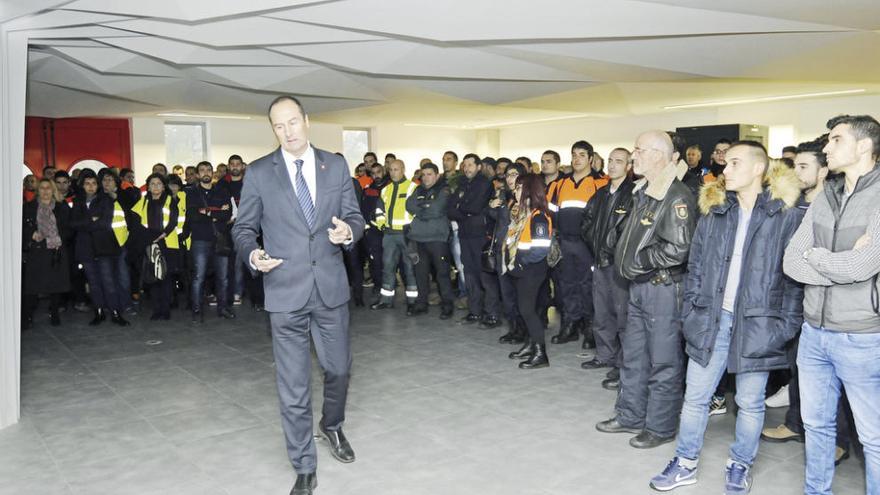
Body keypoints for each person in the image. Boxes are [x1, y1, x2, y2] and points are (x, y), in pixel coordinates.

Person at [649, 144, 804, 494]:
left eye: (735, 163)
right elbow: (696, 267)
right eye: (726, 162)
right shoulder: (715, 213)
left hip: (759, 323)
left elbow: (795, 280)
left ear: (759, 168)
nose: (726, 169)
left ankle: (740, 464)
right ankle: (685, 463)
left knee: (749, 402)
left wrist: (785, 325)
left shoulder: (787, 216)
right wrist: (691, 311)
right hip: (711, 319)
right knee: (696, 397)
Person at [232, 95, 364, 495]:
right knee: (293, 385)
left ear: (307, 121)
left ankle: (332, 425)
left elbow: (354, 215)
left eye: (292, 122)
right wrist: (253, 254)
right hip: (284, 292)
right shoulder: (258, 173)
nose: (287, 131)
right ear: (272, 129)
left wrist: (348, 233)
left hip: (329, 287)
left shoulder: (336, 164)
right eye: (278, 125)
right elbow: (242, 228)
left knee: (338, 368)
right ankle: (304, 464)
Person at [783, 114, 880, 495]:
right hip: (813, 333)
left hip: (862, 335)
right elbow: (791, 260)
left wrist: (817, 257)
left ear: (863, 146)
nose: (826, 148)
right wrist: (836, 262)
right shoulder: (826, 193)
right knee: (817, 426)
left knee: (872, 436)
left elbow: (863, 265)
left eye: (835, 140)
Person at [596, 130, 696, 449]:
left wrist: (638, 260)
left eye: (639, 150)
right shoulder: (644, 190)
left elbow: (679, 248)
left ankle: (661, 425)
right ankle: (630, 415)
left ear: (658, 155)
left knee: (664, 361)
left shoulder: (676, 195)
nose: (634, 156)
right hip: (638, 287)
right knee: (634, 357)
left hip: (662, 288)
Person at [581, 148, 634, 382]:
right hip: (599, 261)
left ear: (628, 166)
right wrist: (595, 244)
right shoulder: (601, 193)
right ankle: (605, 355)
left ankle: (623, 364)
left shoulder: (633, 194)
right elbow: (587, 221)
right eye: (610, 161)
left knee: (623, 315)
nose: (612, 165)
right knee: (601, 312)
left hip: (619, 265)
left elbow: (631, 231)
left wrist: (614, 249)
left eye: (619, 161)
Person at [547, 140, 602, 347]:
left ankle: (589, 329)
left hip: (588, 246)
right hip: (565, 243)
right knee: (566, 286)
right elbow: (550, 214)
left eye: (581, 155)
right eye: (574, 155)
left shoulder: (600, 183)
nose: (577, 159)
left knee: (588, 287)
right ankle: (569, 326)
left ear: (590, 158)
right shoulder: (559, 184)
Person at [504, 173, 553, 369]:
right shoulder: (524, 213)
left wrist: (523, 262)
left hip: (531, 270)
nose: (515, 191)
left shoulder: (538, 216)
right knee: (524, 309)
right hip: (521, 269)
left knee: (528, 310)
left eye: (518, 188)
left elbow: (540, 249)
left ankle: (541, 354)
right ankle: (530, 345)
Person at [70, 172, 130, 326]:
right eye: (87, 183)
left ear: (98, 185)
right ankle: (99, 311)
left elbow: (105, 223)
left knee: (108, 281)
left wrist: (86, 223)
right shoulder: (77, 202)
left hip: (104, 246)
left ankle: (115, 312)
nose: (90, 186)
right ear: (82, 185)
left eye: (93, 183)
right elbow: (73, 224)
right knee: (93, 282)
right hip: (85, 248)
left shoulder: (106, 200)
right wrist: (92, 219)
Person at [448, 153, 499, 327]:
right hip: (464, 234)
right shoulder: (461, 183)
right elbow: (449, 209)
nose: (467, 168)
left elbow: (476, 207)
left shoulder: (484, 183)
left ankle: (491, 313)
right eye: (465, 164)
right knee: (469, 273)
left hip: (480, 235)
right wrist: (463, 210)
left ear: (478, 167)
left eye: (471, 164)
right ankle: (475, 311)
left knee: (484, 275)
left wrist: (460, 208)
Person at [186, 160, 235, 323]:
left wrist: (206, 212)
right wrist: (216, 212)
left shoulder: (222, 191)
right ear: (197, 174)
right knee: (198, 277)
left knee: (223, 277)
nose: (205, 173)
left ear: (212, 173)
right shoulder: (191, 193)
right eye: (202, 170)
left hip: (220, 239)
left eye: (208, 170)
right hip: (200, 240)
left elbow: (227, 215)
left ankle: (223, 309)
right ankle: (197, 311)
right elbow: (193, 216)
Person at [369, 159, 419, 313]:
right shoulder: (386, 189)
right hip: (389, 235)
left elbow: (418, 211)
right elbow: (379, 210)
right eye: (390, 170)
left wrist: (412, 228)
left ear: (403, 169)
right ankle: (386, 300)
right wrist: (382, 224)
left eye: (396, 169)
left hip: (407, 235)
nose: (393, 172)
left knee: (410, 268)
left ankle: (413, 301)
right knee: (388, 267)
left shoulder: (413, 188)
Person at [406, 162, 454, 318]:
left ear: (437, 175)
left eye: (429, 174)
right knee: (420, 273)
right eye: (423, 174)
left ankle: (447, 305)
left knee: (442, 273)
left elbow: (437, 209)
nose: (426, 178)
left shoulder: (444, 189)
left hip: (437, 238)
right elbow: (409, 205)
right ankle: (421, 304)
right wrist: (425, 208)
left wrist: (421, 210)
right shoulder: (418, 189)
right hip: (418, 238)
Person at [487, 162, 528, 343]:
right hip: (502, 250)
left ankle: (523, 330)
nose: (510, 179)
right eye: (508, 175)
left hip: (519, 253)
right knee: (507, 294)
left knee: (520, 295)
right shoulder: (504, 196)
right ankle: (513, 328)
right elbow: (495, 218)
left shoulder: (527, 198)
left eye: (514, 175)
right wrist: (491, 205)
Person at [22, 178, 71, 329]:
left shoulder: (62, 207)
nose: (45, 191)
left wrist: (59, 238)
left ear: (53, 190)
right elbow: (21, 226)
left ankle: (54, 312)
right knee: (32, 285)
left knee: (55, 283)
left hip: (56, 249)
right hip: (37, 249)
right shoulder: (29, 207)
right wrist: (31, 234)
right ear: (38, 190)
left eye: (48, 188)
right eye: (42, 188)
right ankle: (27, 315)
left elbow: (69, 228)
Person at [130, 173, 180, 320]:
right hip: (149, 242)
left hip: (167, 243)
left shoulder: (170, 200)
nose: (156, 186)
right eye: (152, 184)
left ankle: (165, 310)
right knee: (152, 278)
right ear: (148, 187)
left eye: (159, 183)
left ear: (164, 186)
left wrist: (162, 235)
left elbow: (173, 221)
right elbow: (135, 221)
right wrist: (147, 237)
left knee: (165, 278)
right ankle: (156, 310)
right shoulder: (143, 201)